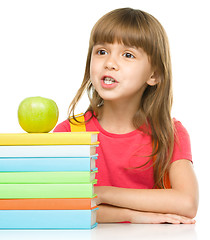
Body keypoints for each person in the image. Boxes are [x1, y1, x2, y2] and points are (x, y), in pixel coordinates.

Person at [54, 8, 199, 224]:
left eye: (128, 55)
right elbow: (60, 206)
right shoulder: (69, 133)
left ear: (154, 75)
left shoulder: (170, 133)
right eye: (101, 51)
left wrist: (100, 193)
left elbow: (187, 203)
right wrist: (131, 215)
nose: (109, 63)